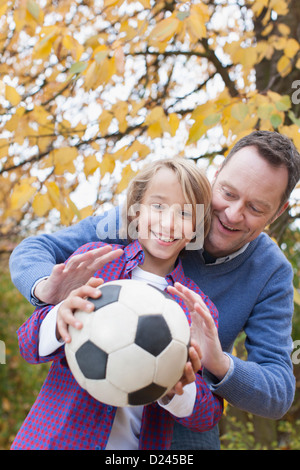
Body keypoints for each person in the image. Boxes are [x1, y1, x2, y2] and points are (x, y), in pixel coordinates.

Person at [9, 130, 300, 450]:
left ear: (278, 212)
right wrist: (50, 294)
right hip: (72, 425)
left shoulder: (268, 274)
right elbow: (37, 251)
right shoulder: (153, 213)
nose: (232, 214)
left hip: (176, 435)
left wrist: (217, 362)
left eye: (256, 208)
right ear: (216, 176)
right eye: (228, 194)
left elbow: (277, 391)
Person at [11, 158, 223, 450]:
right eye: (158, 206)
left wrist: (179, 390)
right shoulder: (95, 262)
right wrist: (60, 315)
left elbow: (208, 415)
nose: (168, 222)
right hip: (53, 442)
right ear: (136, 210)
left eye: (185, 213)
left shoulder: (197, 307)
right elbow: (27, 345)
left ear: (197, 226)